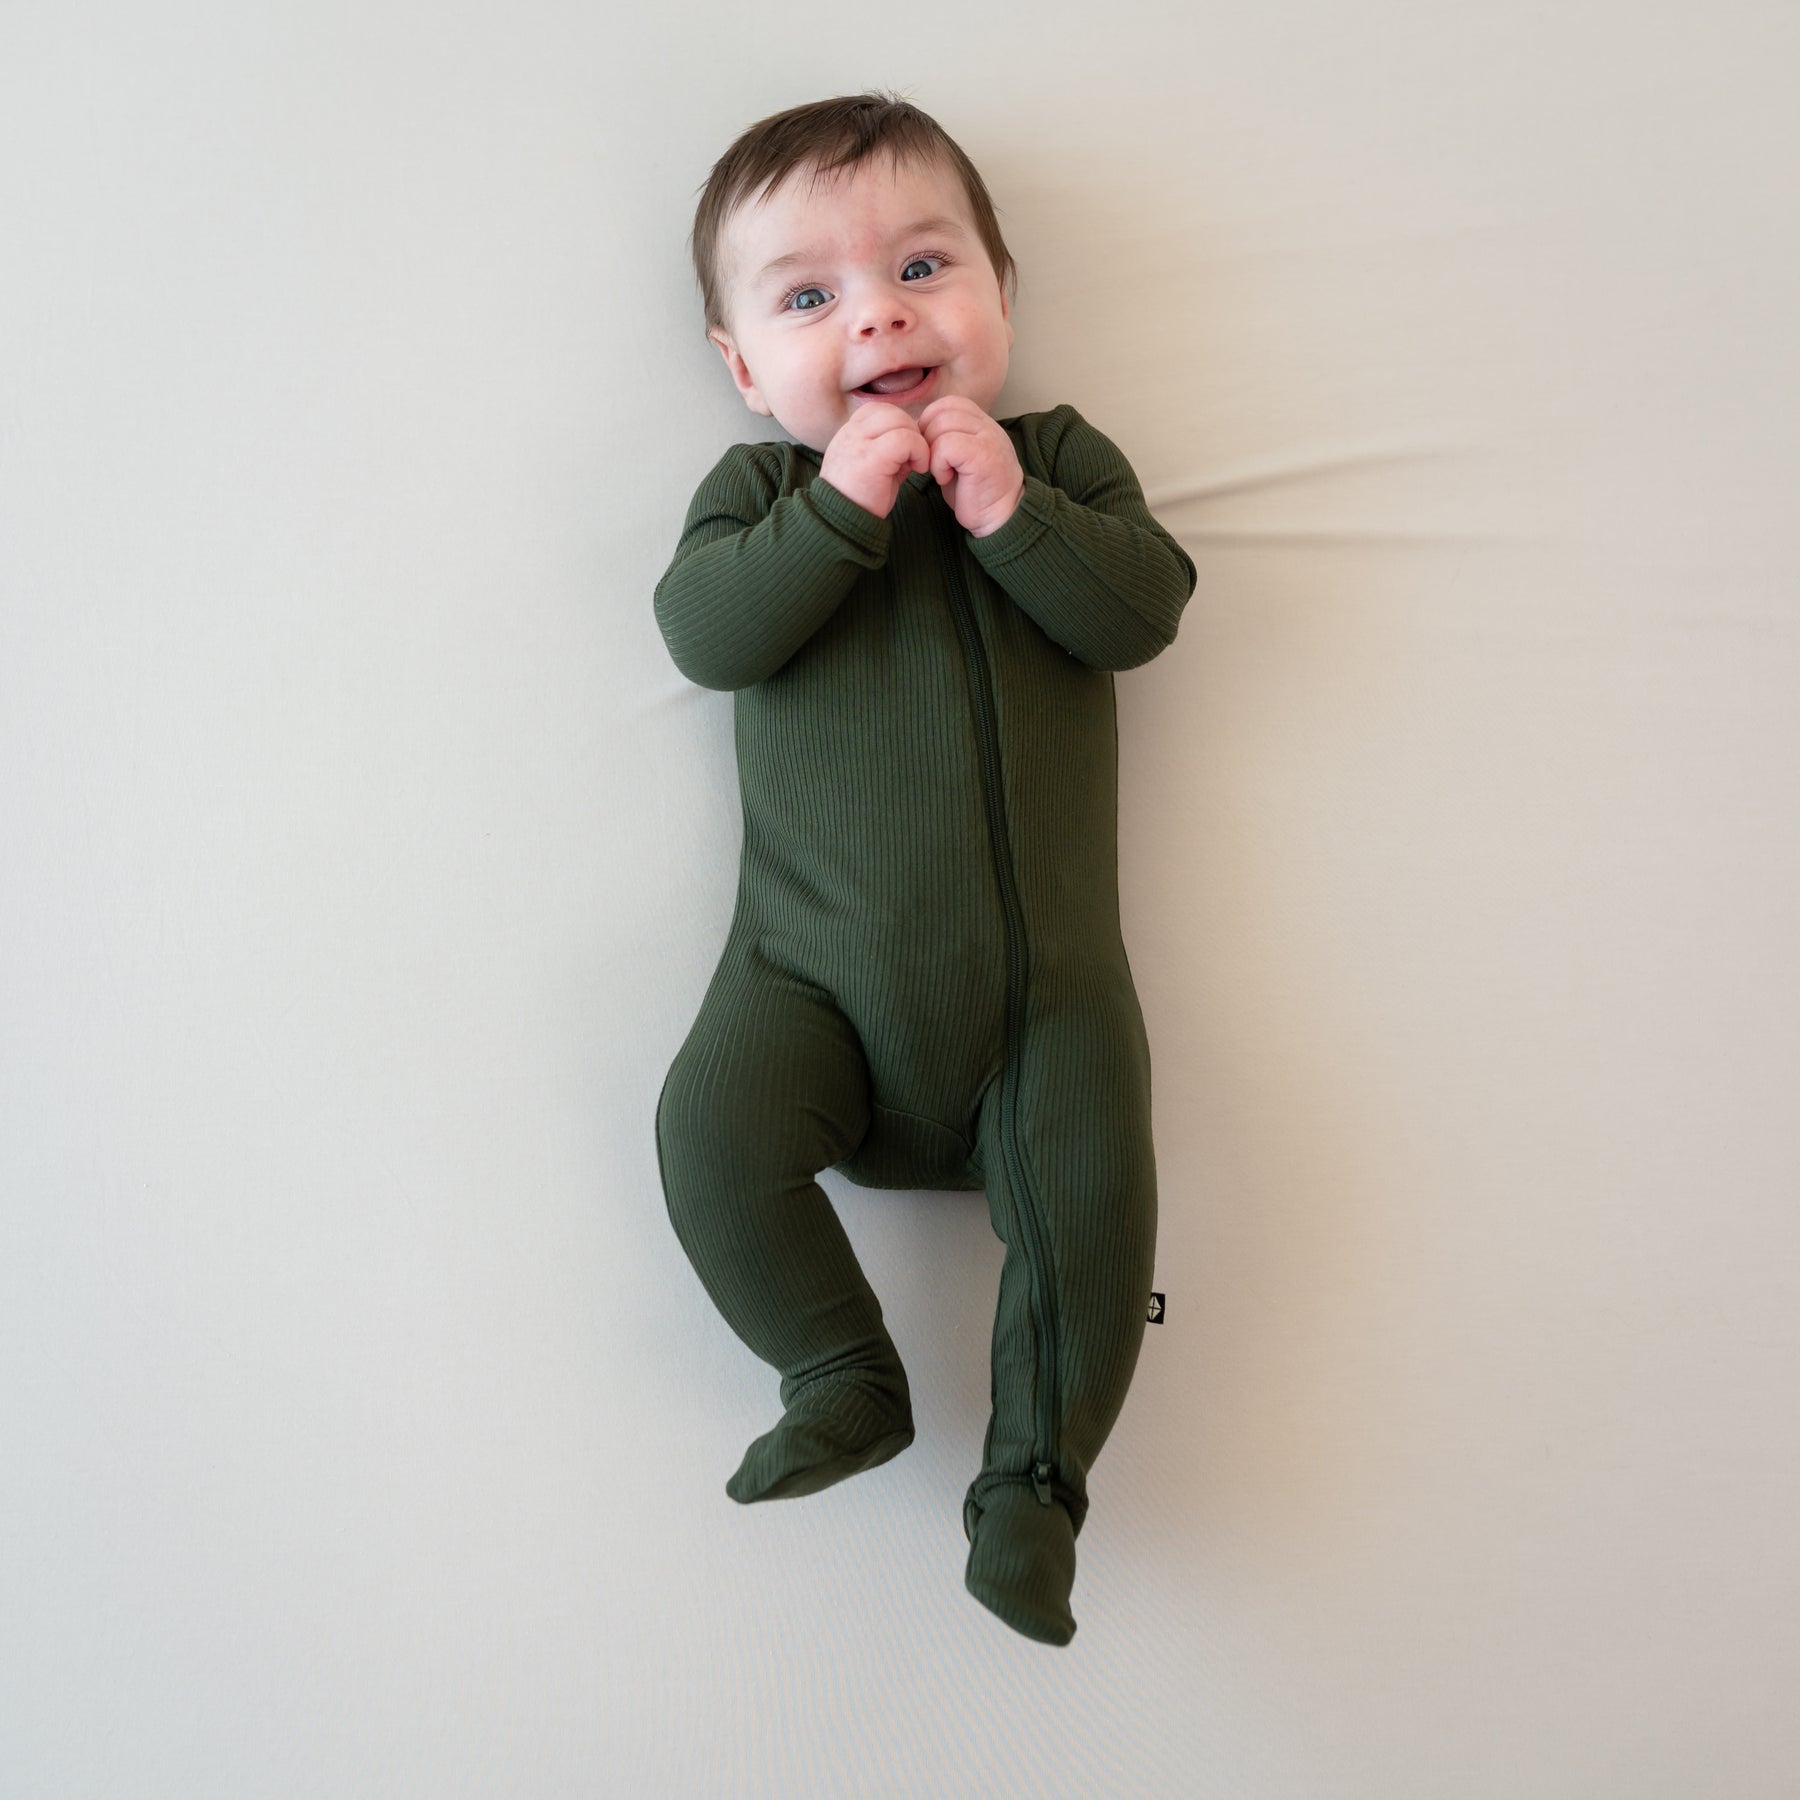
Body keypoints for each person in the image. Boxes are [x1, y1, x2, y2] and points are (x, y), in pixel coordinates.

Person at [652, 90, 1197, 1647]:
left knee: (1097, 1214)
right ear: (744, 369)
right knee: (706, 1132)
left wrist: (1012, 511)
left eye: (921, 268)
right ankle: (838, 1373)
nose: (879, 316)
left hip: (1049, 1011)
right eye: (809, 298)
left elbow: (1143, 611)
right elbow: (706, 636)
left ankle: (1033, 1489)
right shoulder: (759, 498)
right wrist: (840, 510)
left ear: (1000, 295)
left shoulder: (1061, 461)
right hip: (803, 987)